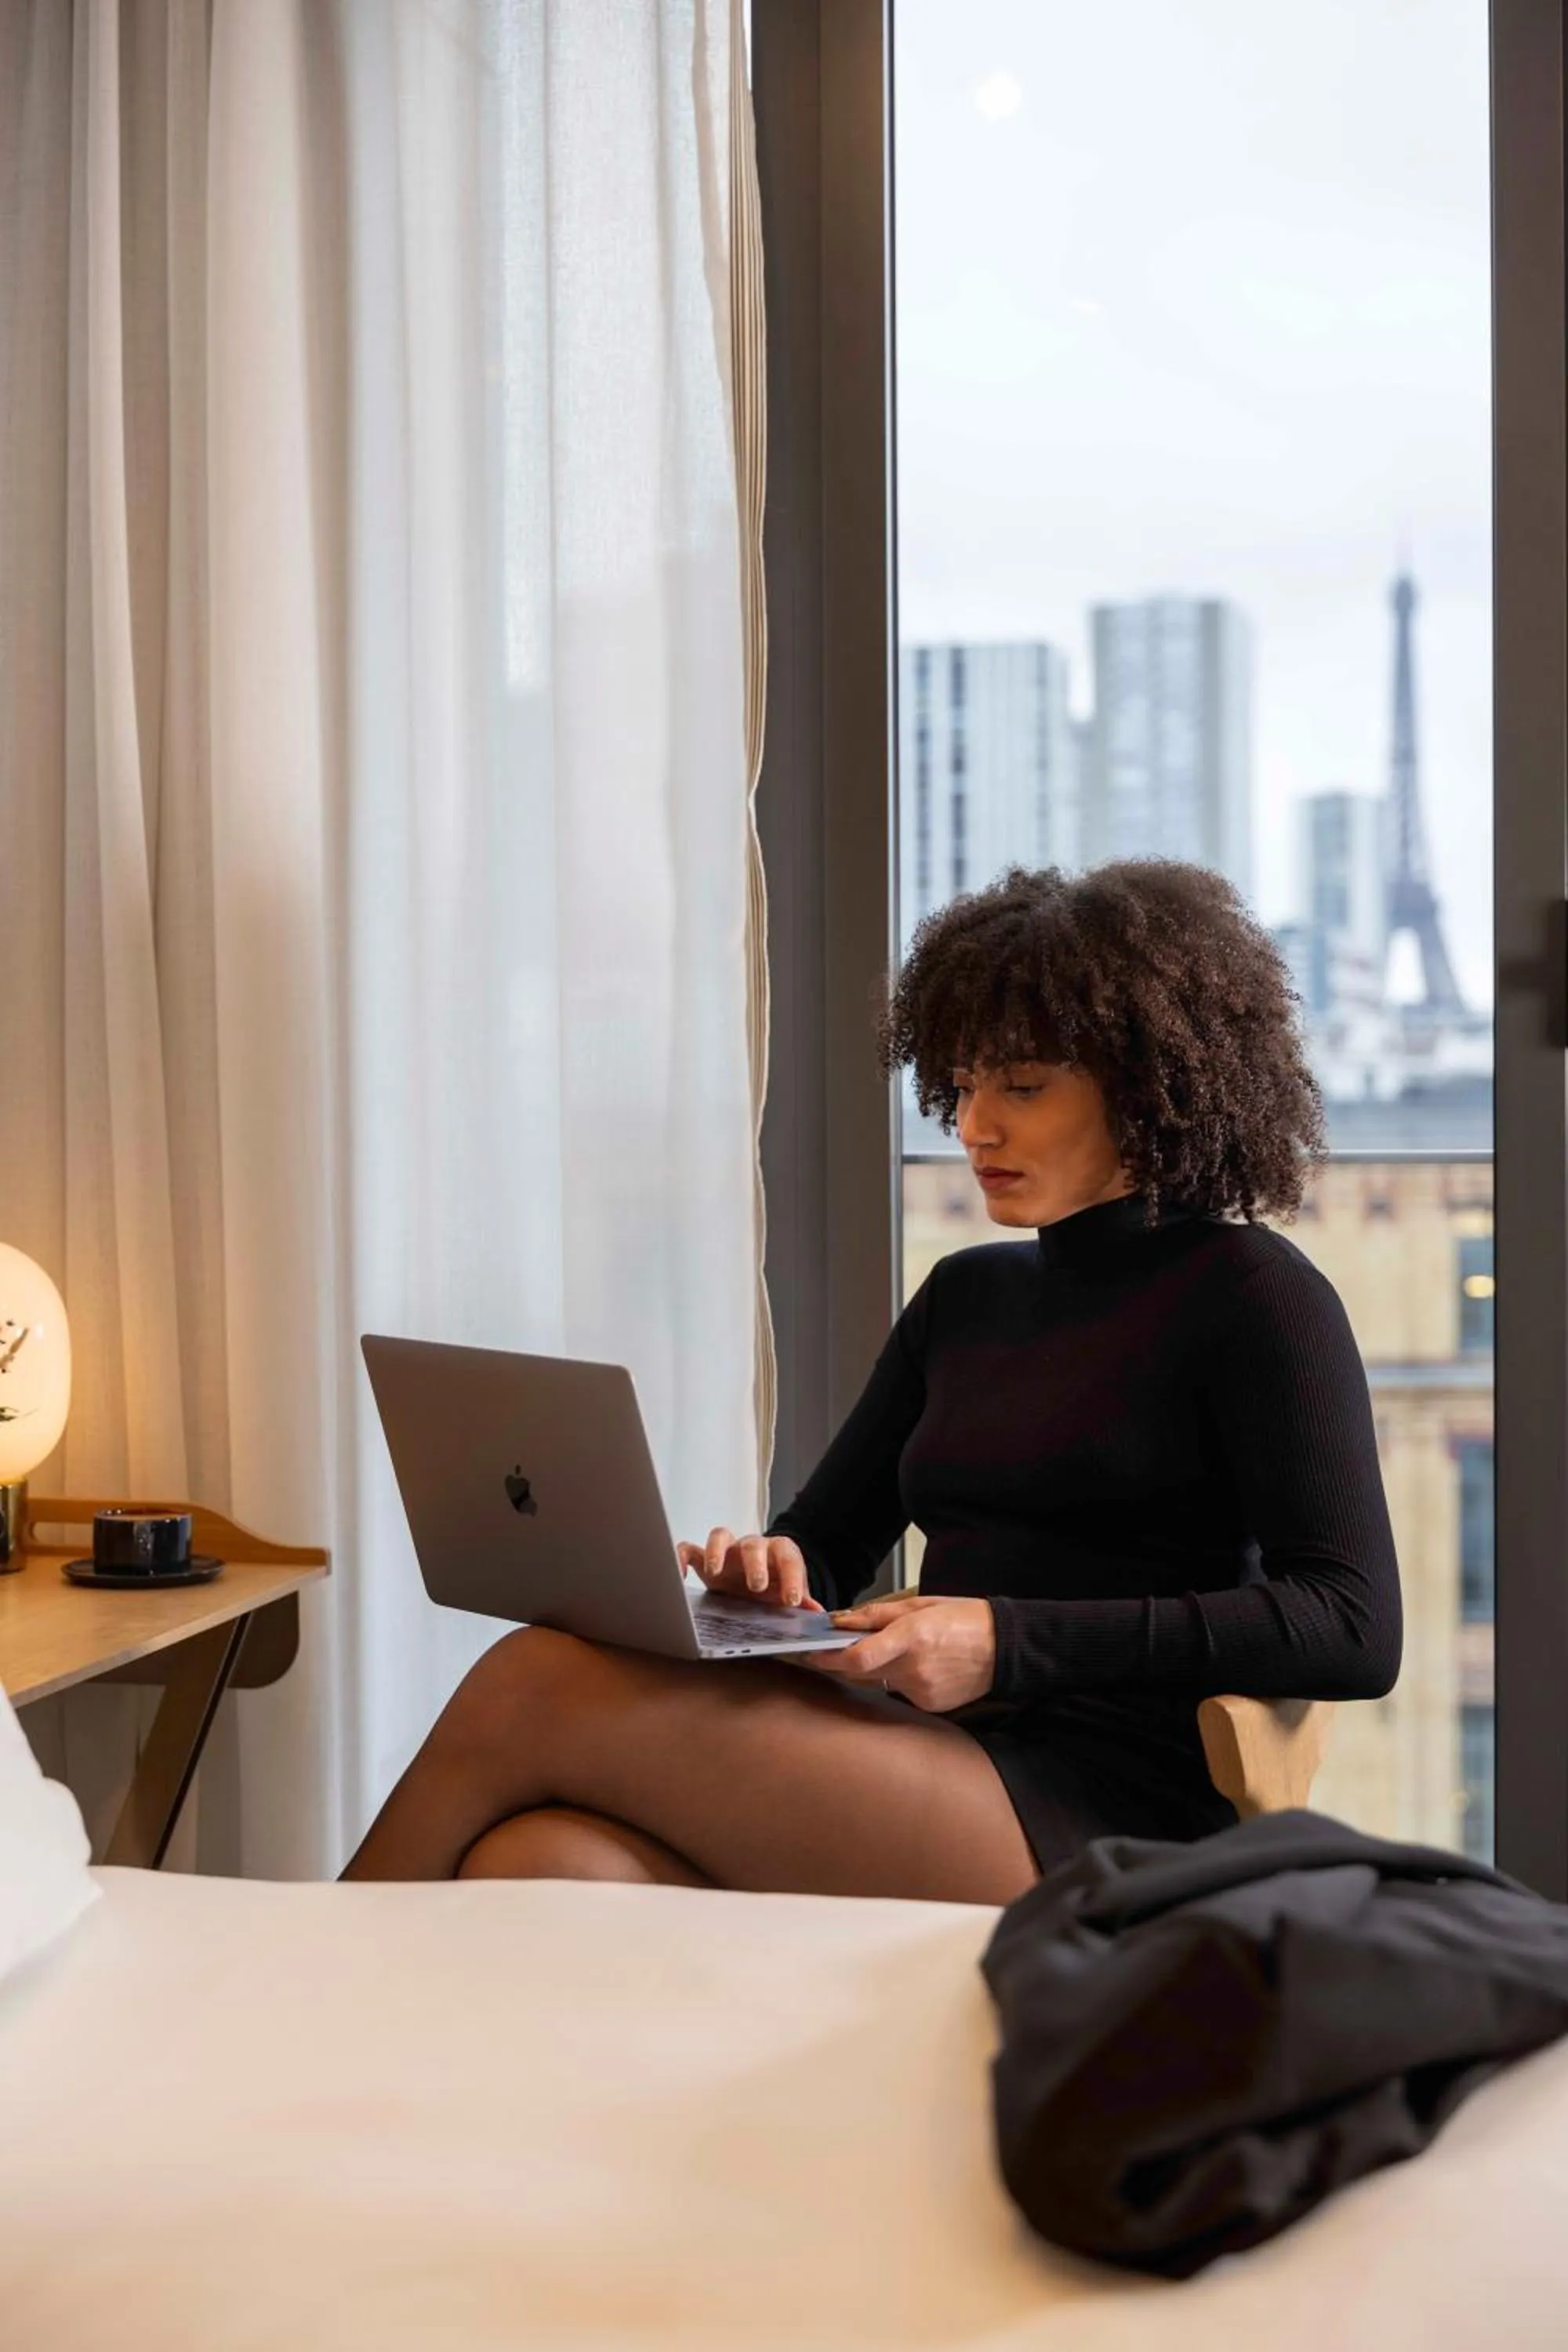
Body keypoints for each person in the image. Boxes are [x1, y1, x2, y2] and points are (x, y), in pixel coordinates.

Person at [343, 859, 1401, 1897]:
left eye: (1023, 1087)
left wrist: (1008, 1641)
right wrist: (768, 1579)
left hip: (1105, 1805)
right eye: (965, 1081)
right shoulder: (967, 1296)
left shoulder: (1255, 1295)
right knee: (538, 1865)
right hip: (920, 1754)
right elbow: (830, 1544)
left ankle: (273, 2014)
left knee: (537, 1681)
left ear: (1149, 1086)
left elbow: (1352, 1625)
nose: (976, 1124)